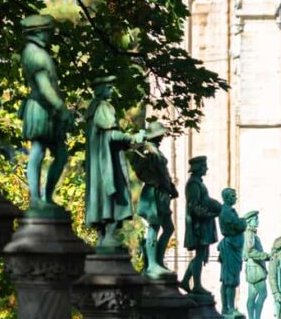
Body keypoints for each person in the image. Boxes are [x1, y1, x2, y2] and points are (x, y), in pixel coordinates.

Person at [19, 15, 73, 209]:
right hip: (41, 108)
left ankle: (47, 198)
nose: (50, 35)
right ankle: (36, 199)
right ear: (39, 32)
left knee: (60, 154)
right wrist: (61, 108)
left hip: (49, 110)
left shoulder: (38, 52)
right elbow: (44, 87)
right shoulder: (35, 53)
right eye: (48, 31)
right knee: (38, 150)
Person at [85, 76, 143, 249]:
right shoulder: (103, 107)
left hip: (98, 165)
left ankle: (103, 237)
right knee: (112, 196)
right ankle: (109, 235)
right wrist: (133, 138)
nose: (111, 91)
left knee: (101, 197)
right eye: (109, 87)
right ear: (101, 89)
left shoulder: (92, 109)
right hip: (107, 164)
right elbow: (112, 134)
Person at [129, 122, 178, 279]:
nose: (163, 136)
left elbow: (164, 173)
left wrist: (171, 187)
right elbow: (149, 171)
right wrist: (166, 185)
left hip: (161, 193)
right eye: (161, 134)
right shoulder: (148, 151)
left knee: (168, 228)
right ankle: (152, 264)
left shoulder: (154, 150)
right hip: (153, 193)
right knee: (154, 227)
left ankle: (158, 260)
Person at [181, 156, 222, 296]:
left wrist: (216, 205)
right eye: (204, 166)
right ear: (198, 168)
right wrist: (209, 214)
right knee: (200, 254)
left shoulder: (198, 183)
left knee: (201, 254)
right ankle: (196, 285)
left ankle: (186, 280)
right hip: (199, 225)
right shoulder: (193, 184)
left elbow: (204, 200)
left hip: (203, 224)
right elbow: (194, 206)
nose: (206, 168)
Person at [217, 188, 246, 318]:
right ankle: (229, 308)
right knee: (230, 279)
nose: (236, 198)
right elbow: (237, 225)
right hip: (231, 247)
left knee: (227, 279)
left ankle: (226, 307)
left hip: (232, 246)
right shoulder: (227, 211)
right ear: (227, 198)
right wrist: (243, 222)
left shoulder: (227, 210)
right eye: (234, 196)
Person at [243, 210, 269, 319]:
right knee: (263, 294)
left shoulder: (249, 234)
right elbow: (250, 252)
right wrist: (266, 256)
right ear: (249, 222)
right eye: (255, 219)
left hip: (252, 268)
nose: (257, 222)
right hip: (255, 269)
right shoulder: (249, 235)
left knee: (252, 296)